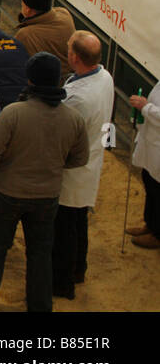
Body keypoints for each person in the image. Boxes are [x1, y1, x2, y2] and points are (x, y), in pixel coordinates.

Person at [0, 53, 89, 313]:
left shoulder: (14, 113)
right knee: (40, 253)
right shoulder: (73, 117)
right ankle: (40, 306)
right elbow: (79, 158)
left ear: (30, 79)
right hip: (48, 196)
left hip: (8, 192)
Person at [53, 32, 114, 298]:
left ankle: (62, 283)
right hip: (91, 161)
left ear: (74, 57)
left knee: (65, 227)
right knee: (78, 221)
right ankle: (79, 269)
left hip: (74, 168)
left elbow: (63, 134)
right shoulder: (105, 76)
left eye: (68, 49)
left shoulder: (78, 98)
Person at [14, 0, 75, 78]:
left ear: (28, 10)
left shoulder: (25, 34)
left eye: (22, 4)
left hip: (48, 83)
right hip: (71, 77)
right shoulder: (64, 14)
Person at [127, 79, 160, 249]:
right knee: (149, 180)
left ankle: (157, 234)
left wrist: (145, 107)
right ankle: (150, 224)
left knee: (158, 189)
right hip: (152, 139)